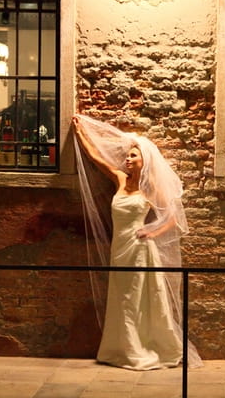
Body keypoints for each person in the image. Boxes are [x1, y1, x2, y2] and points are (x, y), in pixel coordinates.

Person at [72, 114, 201, 370]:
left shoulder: (150, 186)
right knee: (122, 298)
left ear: (144, 160)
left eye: (133, 156)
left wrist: (152, 232)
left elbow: (173, 218)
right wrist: (81, 134)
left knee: (137, 299)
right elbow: (96, 159)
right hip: (120, 248)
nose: (127, 159)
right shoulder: (120, 179)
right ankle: (120, 348)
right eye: (127, 156)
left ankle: (142, 349)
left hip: (140, 249)